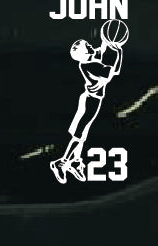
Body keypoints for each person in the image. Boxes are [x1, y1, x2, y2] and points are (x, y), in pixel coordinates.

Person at [50, 26, 126, 184]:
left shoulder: (88, 59)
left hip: (91, 99)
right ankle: (61, 163)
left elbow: (101, 50)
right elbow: (112, 72)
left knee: (82, 134)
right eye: (88, 46)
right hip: (91, 101)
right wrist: (118, 52)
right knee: (78, 135)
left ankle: (75, 161)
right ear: (84, 54)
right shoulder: (90, 65)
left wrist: (106, 40)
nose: (91, 46)